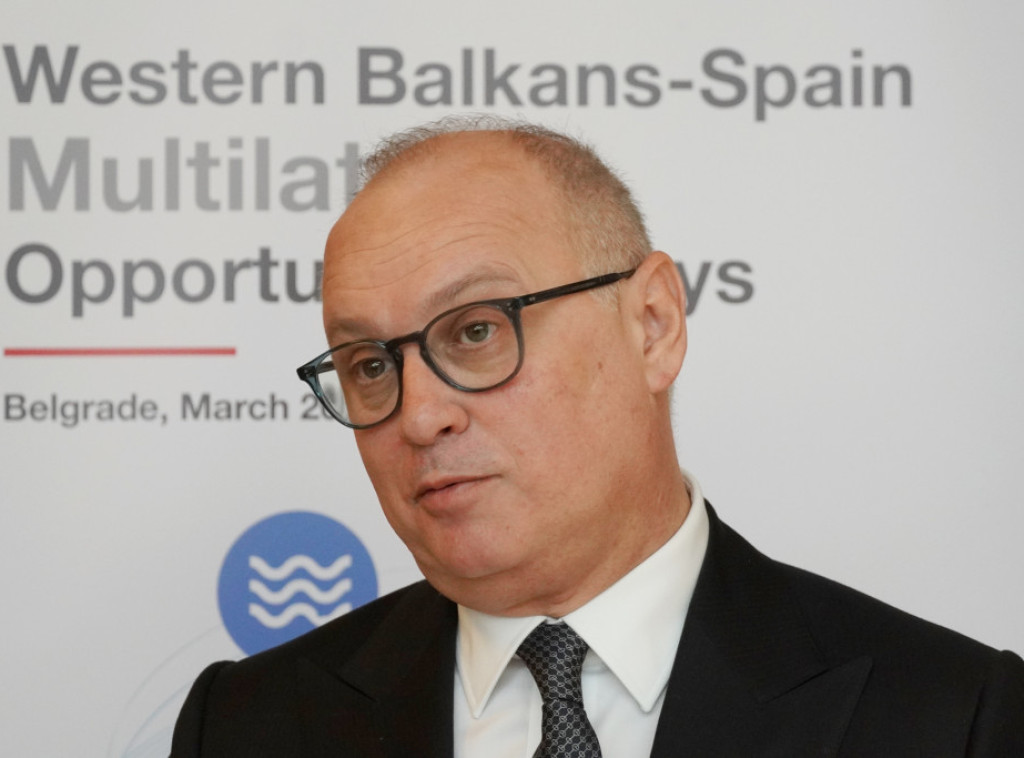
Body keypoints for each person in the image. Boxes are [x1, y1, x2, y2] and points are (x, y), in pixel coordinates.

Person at [171, 116, 1024, 757]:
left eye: (477, 330)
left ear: (653, 324)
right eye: (368, 364)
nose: (420, 415)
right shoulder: (247, 725)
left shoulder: (952, 715)